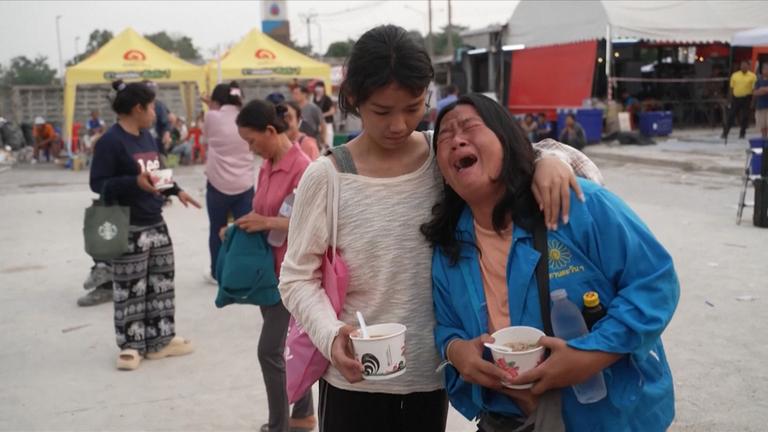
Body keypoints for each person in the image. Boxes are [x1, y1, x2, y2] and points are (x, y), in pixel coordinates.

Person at [278, 24, 600, 432]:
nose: (399, 124)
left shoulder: (445, 155)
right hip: (356, 381)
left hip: (435, 376)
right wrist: (330, 334)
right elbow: (295, 278)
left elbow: (546, 159)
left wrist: (549, 160)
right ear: (354, 99)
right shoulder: (328, 177)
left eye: (413, 107)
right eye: (382, 111)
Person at [423, 93, 679, 431]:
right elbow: (448, 324)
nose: (457, 140)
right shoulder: (450, 245)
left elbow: (655, 283)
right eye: (444, 137)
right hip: (505, 418)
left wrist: (591, 355)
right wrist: (456, 350)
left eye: (470, 127)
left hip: (605, 415)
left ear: (506, 140)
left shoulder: (575, 205)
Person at [90, 79, 201, 370]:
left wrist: (177, 190)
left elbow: (158, 173)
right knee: (130, 288)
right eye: (151, 106)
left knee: (161, 283)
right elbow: (97, 183)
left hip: (155, 221)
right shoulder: (111, 142)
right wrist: (132, 182)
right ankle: (131, 345)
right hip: (128, 225)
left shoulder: (147, 137)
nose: (155, 111)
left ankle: (160, 340)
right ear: (137, 108)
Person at [234, 100, 315, 432]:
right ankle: (303, 415)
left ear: (271, 130)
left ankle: (278, 425)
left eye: (252, 141)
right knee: (289, 347)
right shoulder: (268, 165)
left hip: (293, 274)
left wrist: (266, 222)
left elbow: (309, 221)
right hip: (269, 272)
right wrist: (243, 225)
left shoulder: (304, 167)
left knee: (270, 352)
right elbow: (265, 212)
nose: (251, 150)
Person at [202, 81, 255, 284]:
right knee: (246, 229)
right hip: (245, 183)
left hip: (217, 183)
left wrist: (212, 108)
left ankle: (217, 273)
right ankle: (246, 271)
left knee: (217, 228)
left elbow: (208, 135)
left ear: (216, 100)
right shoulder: (246, 117)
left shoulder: (211, 116)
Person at [722, 60, 757, 140]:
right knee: (731, 115)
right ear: (740, 66)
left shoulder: (752, 76)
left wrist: (753, 101)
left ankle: (742, 133)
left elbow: (754, 89)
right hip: (736, 98)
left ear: (748, 67)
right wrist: (729, 99)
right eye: (742, 65)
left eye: (745, 65)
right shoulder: (735, 75)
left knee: (745, 116)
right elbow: (731, 88)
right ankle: (725, 132)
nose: (743, 67)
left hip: (747, 98)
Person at [313, 81, 336, 149]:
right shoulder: (314, 99)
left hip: (327, 123)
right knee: (319, 144)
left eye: (320, 87)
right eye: (317, 87)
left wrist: (322, 115)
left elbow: (332, 111)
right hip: (317, 125)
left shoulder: (327, 98)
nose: (318, 89)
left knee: (328, 143)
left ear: (323, 88)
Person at [753, 62, 768, 139]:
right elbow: (755, 92)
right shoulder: (758, 81)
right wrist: (764, 90)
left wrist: (762, 89)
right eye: (765, 69)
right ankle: (764, 140)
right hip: (760, 106)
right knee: (762, 126)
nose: (766, 70)